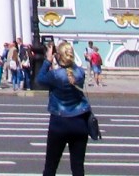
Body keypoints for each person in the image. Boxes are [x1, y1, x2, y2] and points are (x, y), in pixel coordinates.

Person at [36, 41, 91, 176]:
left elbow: (39, 80)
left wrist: (48, 60)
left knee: (51, 167)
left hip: (59, 123)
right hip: (79, 122)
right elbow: (72, 71)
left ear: (58, 56)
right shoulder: (80, 73)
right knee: (78, 168)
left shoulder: (55, 75)